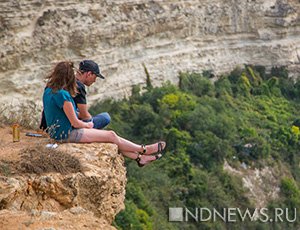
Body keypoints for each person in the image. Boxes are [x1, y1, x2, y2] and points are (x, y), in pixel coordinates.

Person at [42, 61, 166, 167]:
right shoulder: (63, 95)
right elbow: (75, 121)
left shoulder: (48, 90)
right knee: (111, 135)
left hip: (56, 132)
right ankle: (144, 149)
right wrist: (87, 125)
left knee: (110, 137)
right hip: (66, 134)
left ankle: (140, 158)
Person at [40, 60, 111, 130]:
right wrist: (88, 122)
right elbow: (84, 115)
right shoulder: (78, 86)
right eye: (95, 77)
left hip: (47, 124)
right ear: (89, 74)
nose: (94, 80)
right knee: (105, 117)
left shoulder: (55, 85)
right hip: (65, 126)